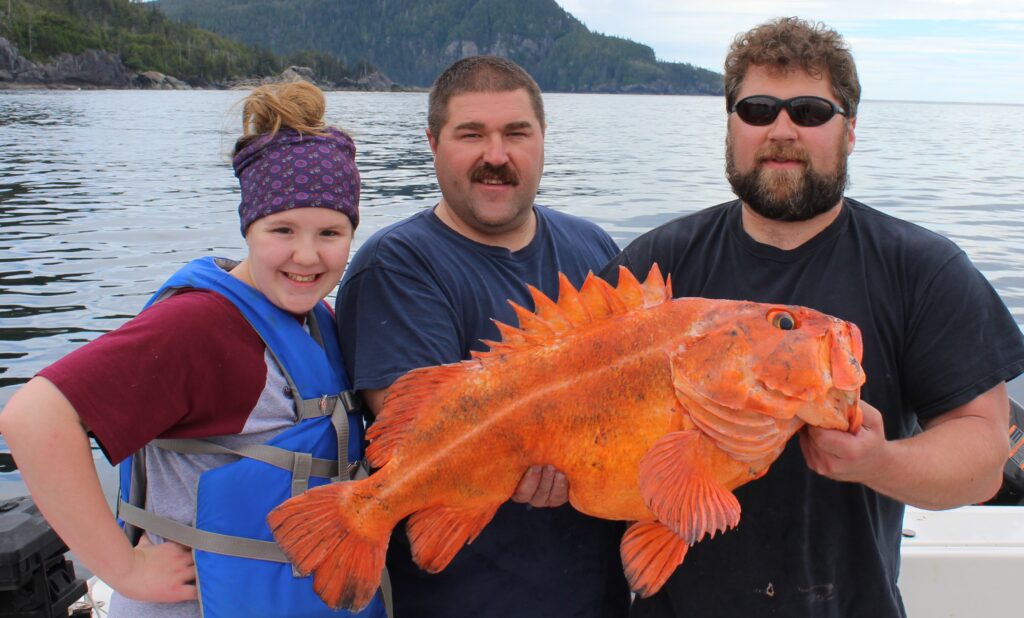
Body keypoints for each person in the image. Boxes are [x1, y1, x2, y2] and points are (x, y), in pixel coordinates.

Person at [600, 17, 1024, 617]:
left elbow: (985, 456)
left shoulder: (922, 269)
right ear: (730, 125)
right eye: (757, 109)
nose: (781, 129)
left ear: (849, 130)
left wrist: (882, 462)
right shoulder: (654, 266)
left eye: (809, 111)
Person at [0, 81, 386, 618]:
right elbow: (33, 418)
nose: (306, 254)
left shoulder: (317, 320)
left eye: (330, 232)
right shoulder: (200, 327)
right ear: (248, 227)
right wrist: (123, 570)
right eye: (282, 229)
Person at [335, 56, 631, 616]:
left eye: (516, 133)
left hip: (596, 595)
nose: (496, 156)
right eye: (471, 134)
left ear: (543, 139)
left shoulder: (593, 247)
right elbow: (415, 434)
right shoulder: (397, 265)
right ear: (432, 143)